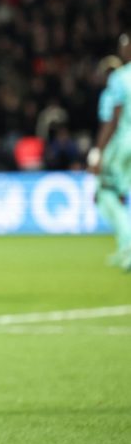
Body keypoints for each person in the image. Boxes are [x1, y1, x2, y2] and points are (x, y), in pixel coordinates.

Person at [88, 35, 131, 269]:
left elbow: (113, 120)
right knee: (120, 194)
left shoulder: (120, 80)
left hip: (125, 142)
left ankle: (128, 246)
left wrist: (98, 152)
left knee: (106, 193)